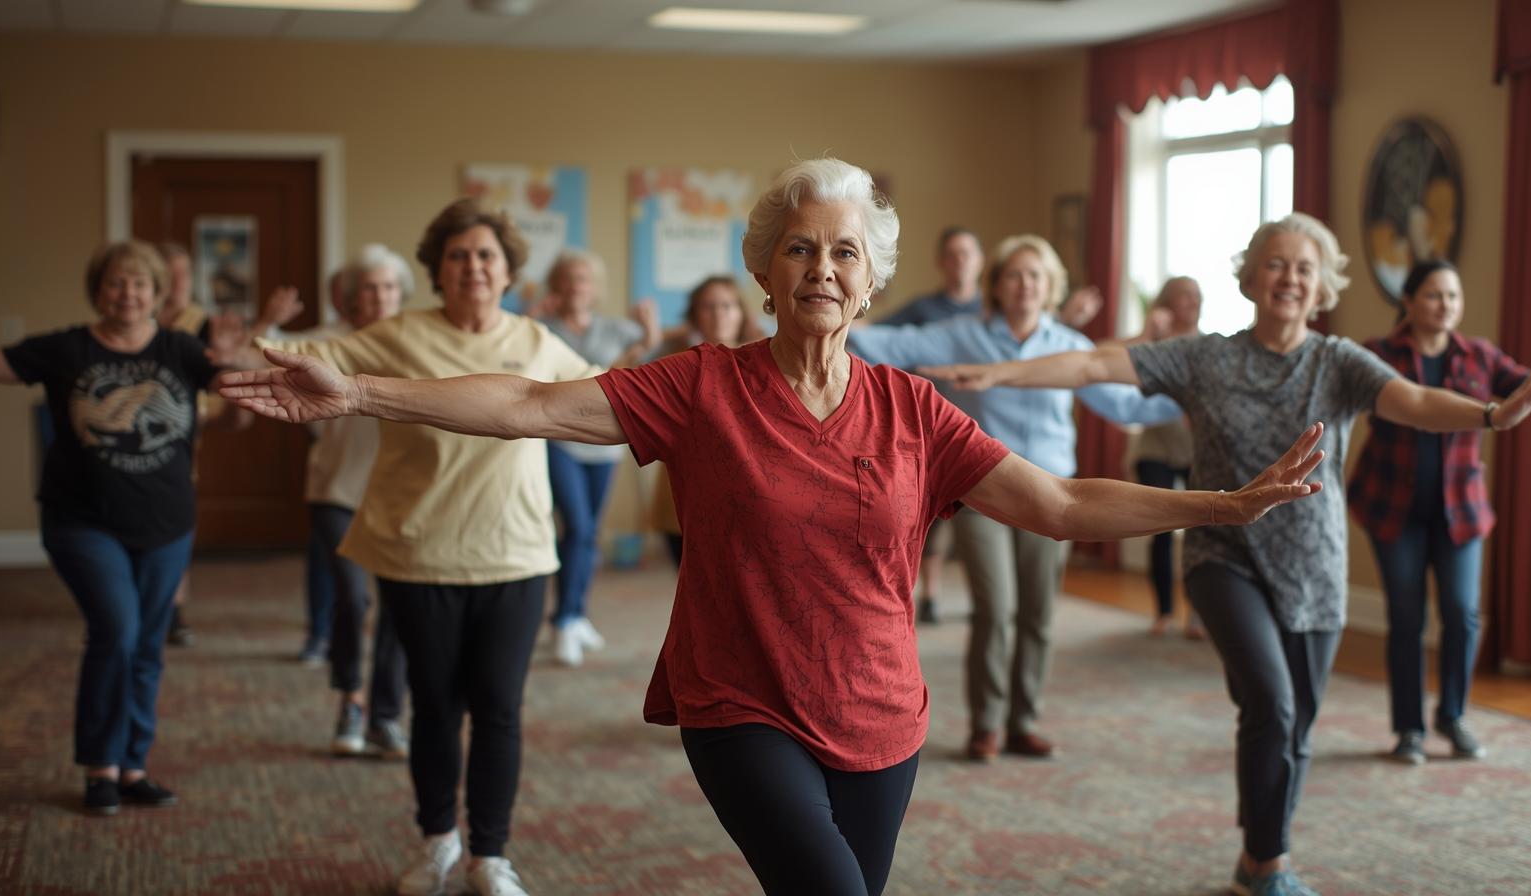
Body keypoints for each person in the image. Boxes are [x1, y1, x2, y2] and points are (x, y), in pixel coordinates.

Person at [220, 160, 1329, 896]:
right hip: (742, 696)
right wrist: (358, 393)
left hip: (881, 709)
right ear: (762, 268)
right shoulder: (701, 386)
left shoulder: (911, 408)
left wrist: (1220, 505)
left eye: (844, 252)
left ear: (871, 279)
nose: (822, 268)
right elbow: (527, 405)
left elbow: (1060, 503)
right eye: (800, 248)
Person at [920, 212, 1531, 896]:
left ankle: (1258, 857)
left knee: (1299, 725)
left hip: (1315, 564)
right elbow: (1092, 362)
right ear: (1250, 278)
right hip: (1223, 554)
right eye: (1276, 264)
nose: (1290, 278)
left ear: (1322, 289)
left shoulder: (1338, 362)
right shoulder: (1206, 356)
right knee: (1272, 703)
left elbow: (1414, 401)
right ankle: (1274, 866)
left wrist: (1492, 415)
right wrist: (998, 374)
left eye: (1304, 269)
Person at [224, 199, 599, 896]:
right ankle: (438, 842)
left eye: (487, 255)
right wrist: (253, 339)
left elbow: (606, 402)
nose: (473, 267)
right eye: (458, 256)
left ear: (509, 269)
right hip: (416, 551)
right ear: (437, 269)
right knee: (433, 705)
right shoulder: (397, 335)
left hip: (514, 554)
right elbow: (306, 360)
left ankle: (489, 855)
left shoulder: (539, 342)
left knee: (499, 708)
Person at [849, 234, 1182, 762]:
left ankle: (1023, 721)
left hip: (1056, 498)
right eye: (1014, 276)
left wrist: (1194, 400)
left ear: (1050, 288)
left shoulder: (1067, 345)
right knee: (995, 608)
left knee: (1037, 613)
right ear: (997, 286)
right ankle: (986, 725)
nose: (1025, 285)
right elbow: (889, 346)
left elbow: (1124, 408)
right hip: (985, 493)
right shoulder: (961, 334)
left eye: (1036, 276)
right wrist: (834, 316)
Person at [0, 241, 234, 815]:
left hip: (167, 524)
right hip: (82, 522)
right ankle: (100, 766)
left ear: (157, 292)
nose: (128, 293)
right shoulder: (64, 348)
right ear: (98, 290)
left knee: (147, 644)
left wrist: (240, 355)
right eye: (117, 283)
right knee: (117, 630)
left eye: (140, 283)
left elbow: (240, 398)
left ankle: (132, 765)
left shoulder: (183, 350)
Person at [1347, 259, 1531, 765]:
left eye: (1452, 296)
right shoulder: (1378, 356)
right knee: (1407, 619)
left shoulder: (1479, 356)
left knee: (1461, 612)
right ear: (1408, 301)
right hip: (1394, 511)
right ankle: (1408, 728)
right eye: (1433, 295)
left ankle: (1452, 716)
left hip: (1461, 514)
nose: (1445, 305)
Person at [154, 240, 304, 649]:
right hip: (147, 419)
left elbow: (229, 356)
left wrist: (266, 323)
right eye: (171, 275)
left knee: (175, 514)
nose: (178, 284)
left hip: (190, 423)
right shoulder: (142, 317)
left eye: (184, 275)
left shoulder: (201, 321)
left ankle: (173, 608)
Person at [302, 246, 412, 759]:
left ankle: (385, 716)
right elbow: (273, 353)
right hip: (336, 491)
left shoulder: (417, 345)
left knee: (397, 608)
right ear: (350, 298)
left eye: (389, 287)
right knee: (352, 599)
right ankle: (351, 699)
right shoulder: (326, 343)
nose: (380, 297)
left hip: (399, 495)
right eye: (369, 288)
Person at [537, 248, 661, 666]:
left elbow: (647, 353)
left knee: (587, 534)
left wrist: (649, 334)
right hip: (558, 440)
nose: (576, 286)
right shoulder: (542, 327)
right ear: (556, 285)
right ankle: (566, 620)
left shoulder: (615, 329)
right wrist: (530, 311)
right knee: (578, 526)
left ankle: (574, 612)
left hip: (604, 445)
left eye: (583, 279)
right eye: (568, 279)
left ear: (594, 289)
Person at [875, 225, 984, 624]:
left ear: (979, 262)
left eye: (967, 254)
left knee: (979, 517)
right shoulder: (924, 309)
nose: (959, 262)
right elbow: (881, 337)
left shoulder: (990, 311)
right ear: (941, 262)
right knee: (933, 521)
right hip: (930, 428)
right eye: (952, 254)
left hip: (980, 428)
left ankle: (982, 597)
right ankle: (932, 596)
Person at [649, 274, 753, 565]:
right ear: (694, 314)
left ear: (741, 312)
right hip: (685, 491)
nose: (719, 314)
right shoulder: (676, 359)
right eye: (708, 306)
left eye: (727, 305)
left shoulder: (762, 359)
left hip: (744, 494)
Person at [1127, 276, 1205, 638]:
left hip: (1195, 449)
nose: (1192, 301)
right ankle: (1163, 611)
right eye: (1183, 296)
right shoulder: (1152, 345)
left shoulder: (1211, 347)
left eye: (1196, 296)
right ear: (1167, 302)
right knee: (1158, 529)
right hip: (1155, 448)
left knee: (1199, 530)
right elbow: (1129, 397)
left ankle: (1197, 615)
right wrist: (1149, 334)